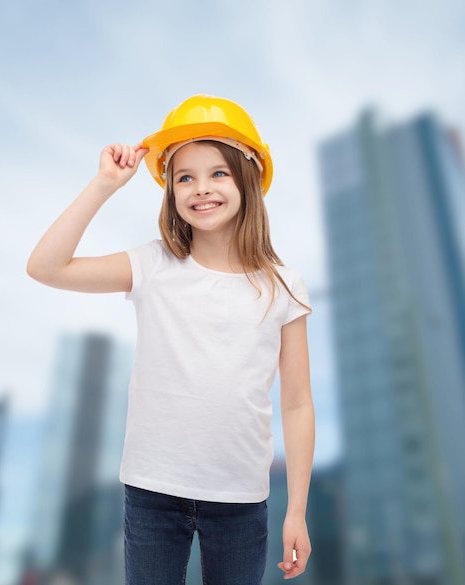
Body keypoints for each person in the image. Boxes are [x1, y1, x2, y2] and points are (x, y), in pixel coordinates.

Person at [27, 94, 314, 584]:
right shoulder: (153, 265)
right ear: (170, 189)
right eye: (185, 177)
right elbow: (45, 267)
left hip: (242, 498)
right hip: (152, 492)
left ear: (248, 178)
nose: (201, 189)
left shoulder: (283, 284)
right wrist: (103, 186)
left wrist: (296, 511)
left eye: (218, 173)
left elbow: (297, 403)